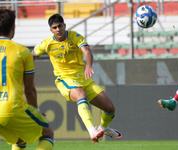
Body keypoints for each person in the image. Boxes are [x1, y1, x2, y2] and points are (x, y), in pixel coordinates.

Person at [32, 13, 122, 143]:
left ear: (65, 26)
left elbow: (87, 51)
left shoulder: (75, 36)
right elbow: (32, 55)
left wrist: (88, 66)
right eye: (55, 27)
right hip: (65, 79)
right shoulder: (47, 44)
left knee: (110, 109)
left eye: (60, 26)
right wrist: (28, 75)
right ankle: (92, 131)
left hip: (83, 78)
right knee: (81, 95)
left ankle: (103, 128)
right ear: (51, 30)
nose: (58, 29)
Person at [0, 9, 54, 150]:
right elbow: (29, 91)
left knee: (19, 139)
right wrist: (35, 109)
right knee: (47, 134)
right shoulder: (22, 51)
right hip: (12, 108)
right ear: (13, 27)